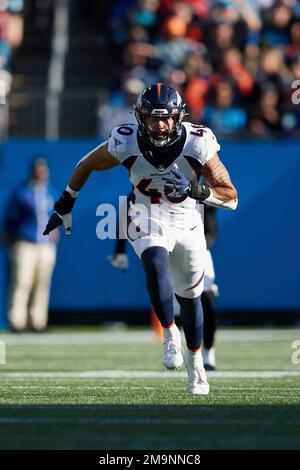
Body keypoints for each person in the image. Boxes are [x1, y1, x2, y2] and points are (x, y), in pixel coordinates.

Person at [43, 83, 238, 395]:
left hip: (188, 220)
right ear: (140, 118)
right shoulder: (126, 140)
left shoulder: (198, 143)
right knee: (154, 259)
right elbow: (87, 164)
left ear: (179, 117)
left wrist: (197, 191)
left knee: (191, 298)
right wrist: (66, 203)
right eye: (152, 118)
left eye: (167, 118)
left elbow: (231, 197)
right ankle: (169, 333)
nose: (160, 125)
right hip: (146, 214)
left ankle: (197, 365)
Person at [109, 204, 219, 371]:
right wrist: (119, 248)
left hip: (193, 246)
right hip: (162, 242)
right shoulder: (153, 183)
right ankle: (173, 339)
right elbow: (130, 208)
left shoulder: (197, 185)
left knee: (205, 297)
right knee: (172, 300)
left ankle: (207, 352)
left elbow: (211, 225)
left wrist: (196, 246)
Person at [5, 157, 58, 332]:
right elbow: (11, 219)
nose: (40, 173)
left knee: (43, 283)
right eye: (38, 170)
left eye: (43, 170)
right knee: (22, 282)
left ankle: (38, 321)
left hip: (46, 245)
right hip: (25, 243)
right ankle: (17, 321)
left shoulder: (50, 192)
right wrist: (11, 239)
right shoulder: (22, 192)